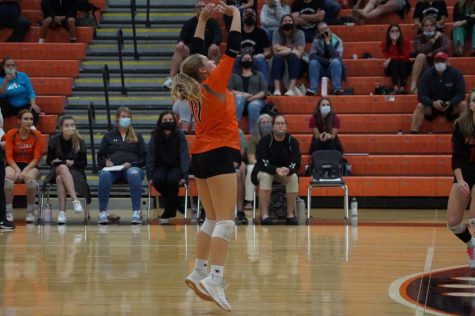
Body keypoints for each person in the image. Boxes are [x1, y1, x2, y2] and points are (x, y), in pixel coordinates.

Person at [171, 2, 241, 311]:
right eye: (207, 62)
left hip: (200, 155)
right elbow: (233, 48)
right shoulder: (214, 82)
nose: (213, 61)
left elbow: (193, 54)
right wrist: (234, 14)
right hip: (218, 152)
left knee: (212, 219)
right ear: (203, 69)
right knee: (226, 222)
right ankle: (215, 277)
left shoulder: (193, 87)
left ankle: (199, 269)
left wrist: (202, 20)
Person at [97, 107, 147, 225]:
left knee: (133, 173)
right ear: (117, 119)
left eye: (128, 117)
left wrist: (132, 164)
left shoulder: (137, 136)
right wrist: (105, 163)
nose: (126, 119)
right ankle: (102, 212)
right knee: (104, 174)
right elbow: (100, 157)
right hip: (113, 170)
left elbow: (144, 158)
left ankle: (136, 212)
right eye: (123, 117)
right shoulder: (108, 136)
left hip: (131, 169)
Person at [251, 114, 301, 225]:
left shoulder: (292, 141)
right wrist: (276, 169)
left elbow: (296, 162)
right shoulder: (265, 141)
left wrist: (288, 169)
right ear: (273, 127)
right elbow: (262, 162)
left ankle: (290, 215)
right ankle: (264, 215)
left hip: (284, 173)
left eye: (282, 123)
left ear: (286, 127)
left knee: (293, 177)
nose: (280, 126)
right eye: (277, 123)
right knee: (266, 176)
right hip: (265, 171)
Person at [163, 0, 222, 89]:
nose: (201, 9)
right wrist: (181, 42)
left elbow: (218, 36)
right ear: (195, 9)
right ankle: (172, 79)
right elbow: (182, 38)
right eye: (199, 7)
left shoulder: (213, 23)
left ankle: (214, 79)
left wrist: (214, 44)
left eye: (203, 7)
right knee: (179, 47)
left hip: (207, 51)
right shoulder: (189, 23)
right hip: (192, 52)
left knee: (215, 49)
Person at [447, 89, 475, 268]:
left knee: (474, 217)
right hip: (464, 173)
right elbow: (456, 157)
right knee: (453, 223)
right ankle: (471, 245)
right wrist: (460, 180)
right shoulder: (460, 125)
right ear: (470, 105)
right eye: (474, 100)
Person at [146, 111, 190, 224]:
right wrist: (149, 176)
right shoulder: (155, 135)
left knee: (172, 180)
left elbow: (184, 155)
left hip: (176, 167)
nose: (168, 122)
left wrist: (185, 175)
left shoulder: (179, 134)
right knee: (158, 181)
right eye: (165, 120)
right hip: (160, 167)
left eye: (170, 120)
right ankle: (176, 203)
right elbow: (150, 156)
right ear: (160, 122)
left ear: (174, 121)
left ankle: (169, 211)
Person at [44, 115, 89, 225]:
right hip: (57, 169)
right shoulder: (54, 140)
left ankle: (62, 214)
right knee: (62, 168)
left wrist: (74, 162)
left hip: (75, 172)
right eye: (67, 125)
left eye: (72, 125)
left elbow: (84, 163)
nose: (70, 127)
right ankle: (75, 200)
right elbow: (48, 160)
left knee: (60, 179)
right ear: (61, 127)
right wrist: (53, 161)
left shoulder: (80, 142)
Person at [410, 52, 466, 133]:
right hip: (432, 106)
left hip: (451, 105)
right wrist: (432, 103)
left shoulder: (456, 74)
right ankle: (413, 132)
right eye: (437, 61)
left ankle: (464, 133)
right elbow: (421, 95)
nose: (440, 63)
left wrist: (450, 102)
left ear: (447, 62)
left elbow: (461, 94)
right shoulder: (427, 75)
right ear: (434, 62)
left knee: (463, 105)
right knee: (420, 106)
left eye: (442, 61)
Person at [4, 109, 43, 223]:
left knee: (30, 181)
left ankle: (30, 210)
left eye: (31, 119)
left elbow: (36, 158)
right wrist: (17, 170)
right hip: (13, 164)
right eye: (26, 119)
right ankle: (8, 211)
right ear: (19, 121)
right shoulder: (11, 133)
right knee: (7, 179)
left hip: (30, 166)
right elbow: (9, 156)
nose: (29, 121)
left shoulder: (37, 135)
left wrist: (25, 170)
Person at [228, 52, 267, 131]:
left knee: (253, 106)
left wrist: (253, 97)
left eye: (249, 59)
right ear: (241, 60)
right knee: (239, 98)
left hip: (256, 100)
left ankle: (254, 133)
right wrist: (243, 94)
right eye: (244, 59)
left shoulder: (259, 75)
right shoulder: (234, 75)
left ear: (252, 60)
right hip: (239, 101)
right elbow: (229, 90)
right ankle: (233, 128)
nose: (247, 60)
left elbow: (264, 91)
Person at [409, 16, 449, 93]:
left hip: (438, 64)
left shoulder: (442, 37)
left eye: (431, 25)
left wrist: (433, 53)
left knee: (440, 56)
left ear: (435, 27)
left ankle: (441, 87)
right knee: (421, 56)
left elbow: (445, 48)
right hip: (425, 65)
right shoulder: (418, 38)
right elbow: (421, 50)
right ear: (422, 28)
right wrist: (434, 39)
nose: (429, 28)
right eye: (426, 26)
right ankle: (413, 86)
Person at [271, 14, 306, 96]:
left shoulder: (299, 33)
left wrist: (281, 48)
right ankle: (277, 89)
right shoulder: (276, 33)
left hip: (298, 61)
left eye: (289, 21)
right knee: (277, 58)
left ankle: (291, 89)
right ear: (281, 24)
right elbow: (275, 52)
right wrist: (291, 50)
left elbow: (299, 54)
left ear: (293, 23)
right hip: (281, 59)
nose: (287, 22)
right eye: (285, 21)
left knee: (293, 58)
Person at [244, 114, 273, 210]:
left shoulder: (277, 136)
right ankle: (249, 201)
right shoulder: (254, 137)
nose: (265, 124)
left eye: (268, 122)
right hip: (258, 165)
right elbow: (251, 158)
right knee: (250, 169)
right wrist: (263, 165)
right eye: (263, 123)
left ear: (272, 124)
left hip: (273, 165)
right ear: (259, 125)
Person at [0, 57, 41, 126]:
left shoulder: (22, 76)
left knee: (34, 110)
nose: (10, 67)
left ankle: (31, 129)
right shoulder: (1, 78)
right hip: (10, 106)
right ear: (3, 67)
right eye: (8, 65)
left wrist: (33, 104)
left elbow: (30, 92)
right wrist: (6, 81)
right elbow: (2, 95)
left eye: (13, 65)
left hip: (23, 105)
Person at [307, 21, 345, 96]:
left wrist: (328, 44)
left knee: (336, 62)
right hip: (321, 68)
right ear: (319, 33)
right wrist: (325, 61)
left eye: (326, 28)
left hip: (333, 69)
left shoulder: (338, 41)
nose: (325, 31)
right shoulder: (316, 41)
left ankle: (336, 88)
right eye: (322, 30)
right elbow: (312, 56)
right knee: (313, 63)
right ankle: (313, 89)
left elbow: (337, 56)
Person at [239, 8, 272, 88]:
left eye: (251, 16)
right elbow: (232, 51)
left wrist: (262, 55)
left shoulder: (261, 33)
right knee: (234, 60)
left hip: (256, 58)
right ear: (243, 18)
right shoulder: (237, 33)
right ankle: (231, 88)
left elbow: (268, 52)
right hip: (241, 58)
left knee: (261, 60)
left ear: (255, 18)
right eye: (247, 16)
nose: (249, 18)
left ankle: (265, 88)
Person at [381, 24, 411, 94]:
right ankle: (395, 87)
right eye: (392, 31)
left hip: (404, 66)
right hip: (391, 68)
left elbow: (406, 56)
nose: (395, 33)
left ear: (400, 32)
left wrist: (391, 58)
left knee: (402, 61)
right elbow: (387, 56)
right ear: (389, 33)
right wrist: (393, 44)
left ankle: (402, 87)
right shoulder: (385, 43)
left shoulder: (405, 41)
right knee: (394, 61)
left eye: (397, 31)